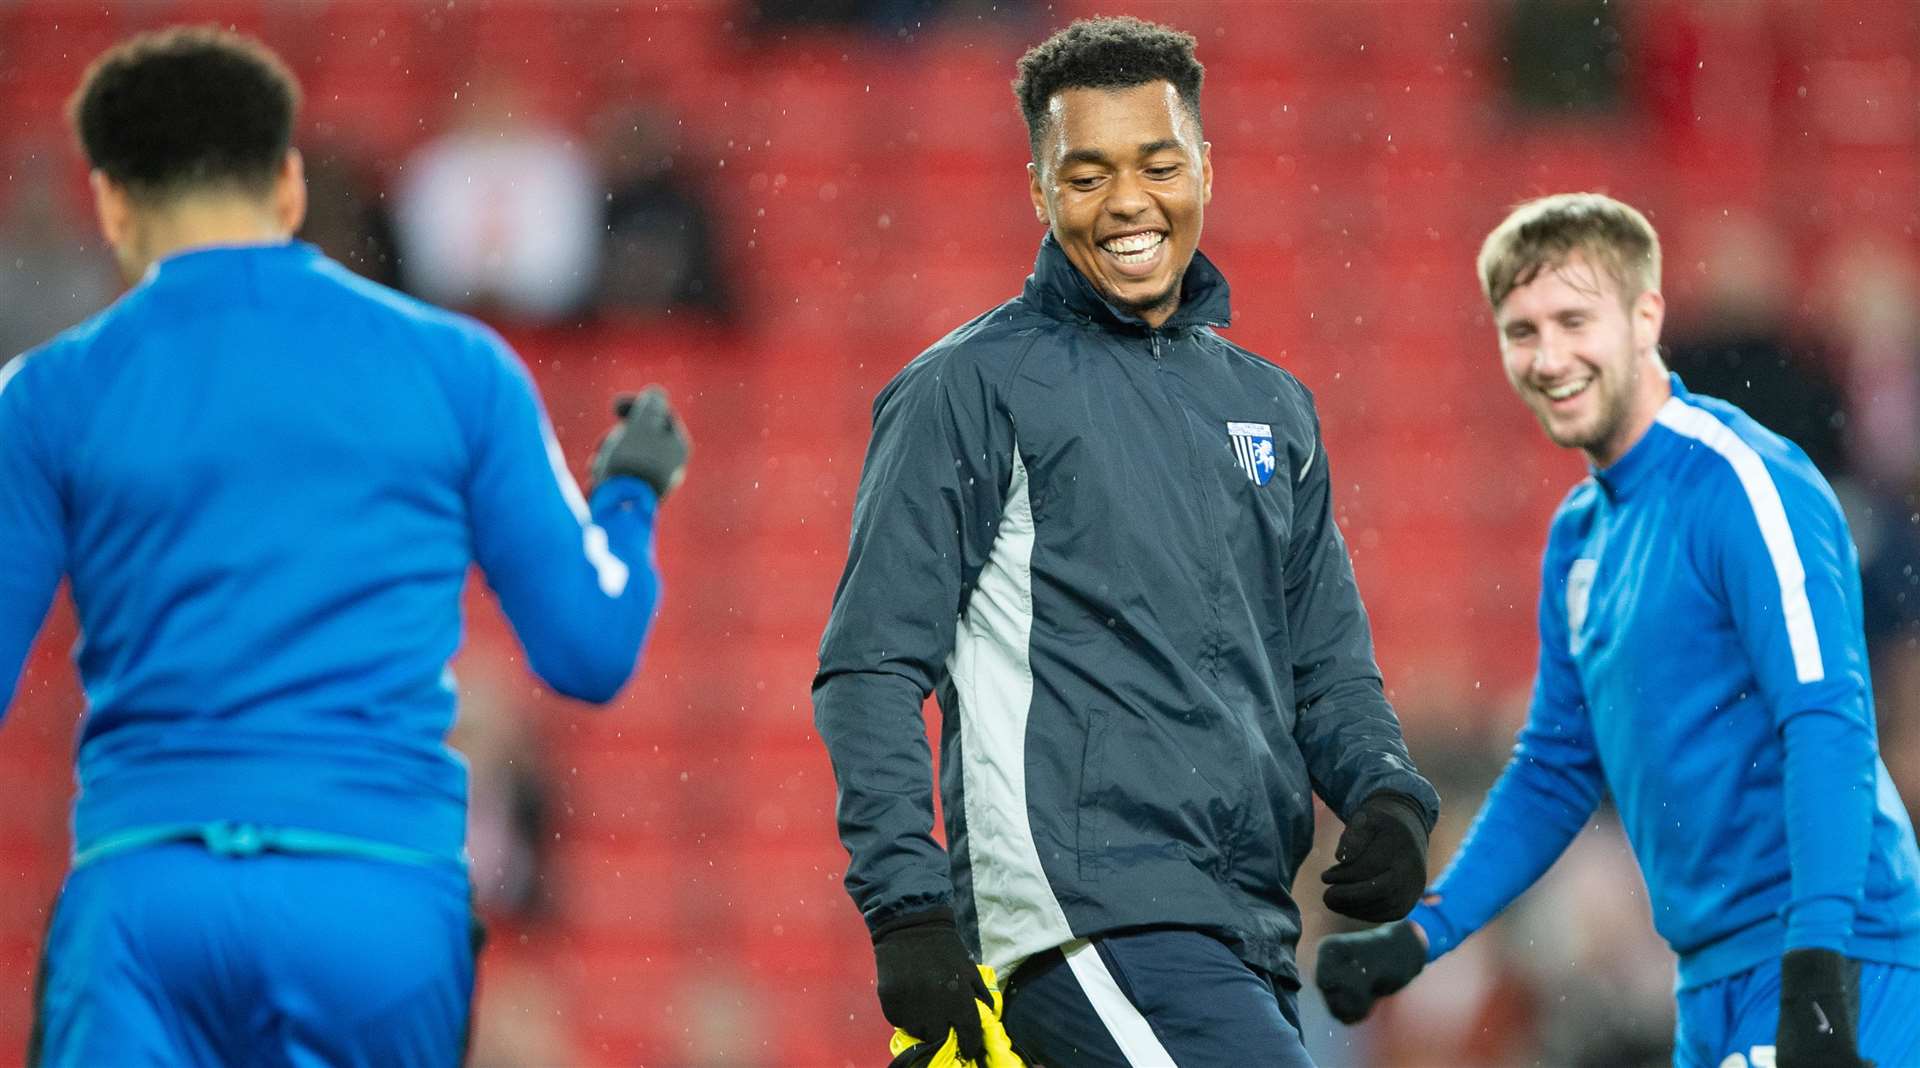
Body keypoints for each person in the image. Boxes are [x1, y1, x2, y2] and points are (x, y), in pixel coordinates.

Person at [0, 28, 689, 1065]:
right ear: (284, 184)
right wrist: (629, 497)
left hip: (149, 893)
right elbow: (590, 650)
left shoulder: (48, 393)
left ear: (111, 203)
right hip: (374, 895)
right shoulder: (460, 367)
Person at [814, 16, 1439, 1065]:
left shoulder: (1272, 408)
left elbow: (1325, 665)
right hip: (1079, 919)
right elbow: (870, 667)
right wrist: (905, 907)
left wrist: (1386, 796)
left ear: (1205, 167)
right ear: (1039, 191)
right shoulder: (964, 391)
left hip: (1245, 930)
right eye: (1087, 174)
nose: (1129, 204)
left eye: (1156, 164)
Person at [1315, 193, 1920, 1068]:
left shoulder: (1745, 484)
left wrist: (1820, 963)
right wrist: (1422, 935)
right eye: (1521, 330)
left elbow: (1826, 720)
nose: (1549, 357)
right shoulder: (1580, 537)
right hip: (1711, 978)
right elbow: (1556, 771)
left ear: (1647, 317)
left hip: (1832, 960)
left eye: (1573, 320)